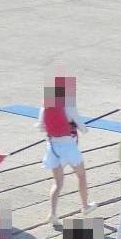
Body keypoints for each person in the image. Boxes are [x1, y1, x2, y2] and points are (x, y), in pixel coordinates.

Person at [41, 76, 89, 228]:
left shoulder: (45, 107)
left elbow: (41, 127)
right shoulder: (69, 106)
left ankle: (53, 214)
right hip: (69, 147)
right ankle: (85, 206)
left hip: (53, 148)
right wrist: (80, 126)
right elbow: (83, 128)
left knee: (58, 183)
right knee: (81, 175)